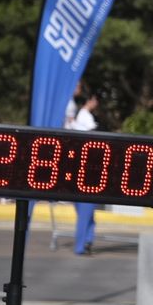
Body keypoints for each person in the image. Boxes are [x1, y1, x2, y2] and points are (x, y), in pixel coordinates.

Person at [68, 95, 100, 256]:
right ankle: (82, 245)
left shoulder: (78, 119)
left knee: (87, 214)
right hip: (85, 172)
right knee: (85, 212)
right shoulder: (85, 117)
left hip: (77, 171)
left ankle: (87, 240)